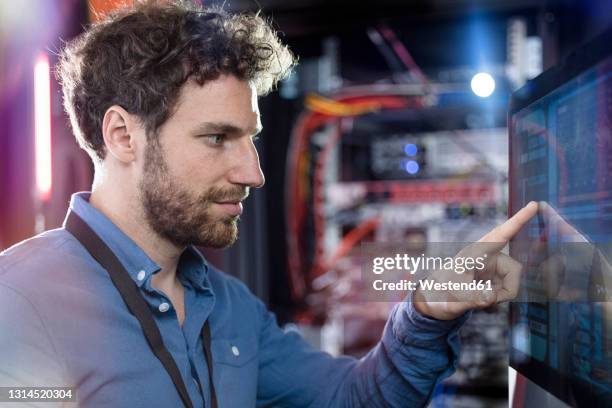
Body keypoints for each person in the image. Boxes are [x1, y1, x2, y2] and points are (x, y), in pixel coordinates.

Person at [0, 1, 537, 407]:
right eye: (216, 138)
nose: (252, 174)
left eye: (250, 139)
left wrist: (424, 314)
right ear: (122, 135)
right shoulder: (19, 303)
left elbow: (357, 397)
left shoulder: (230, 308)